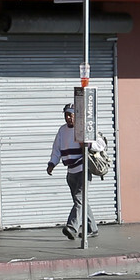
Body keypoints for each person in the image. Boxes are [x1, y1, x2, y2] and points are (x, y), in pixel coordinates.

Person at [45, 102, 96, 241]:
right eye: (67, 115)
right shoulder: (62, 131)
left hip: (82, 169)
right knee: (80, 201)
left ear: (77, 116)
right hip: (71, 172)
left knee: (79, 200)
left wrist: (86, 144)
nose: (69, 118)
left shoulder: (83, 129)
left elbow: (97, 145)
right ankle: (93, 228)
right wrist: (52, 164)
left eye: (71, 115)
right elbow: (56, 149)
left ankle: (72, 227)